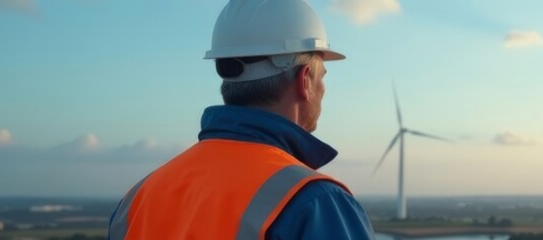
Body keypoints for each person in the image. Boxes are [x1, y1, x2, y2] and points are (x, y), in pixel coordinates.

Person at [108, 0, 373, 239]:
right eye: (322, 76)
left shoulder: (137, 199)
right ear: (305, 80)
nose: (324, 88)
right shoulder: (314, 204)